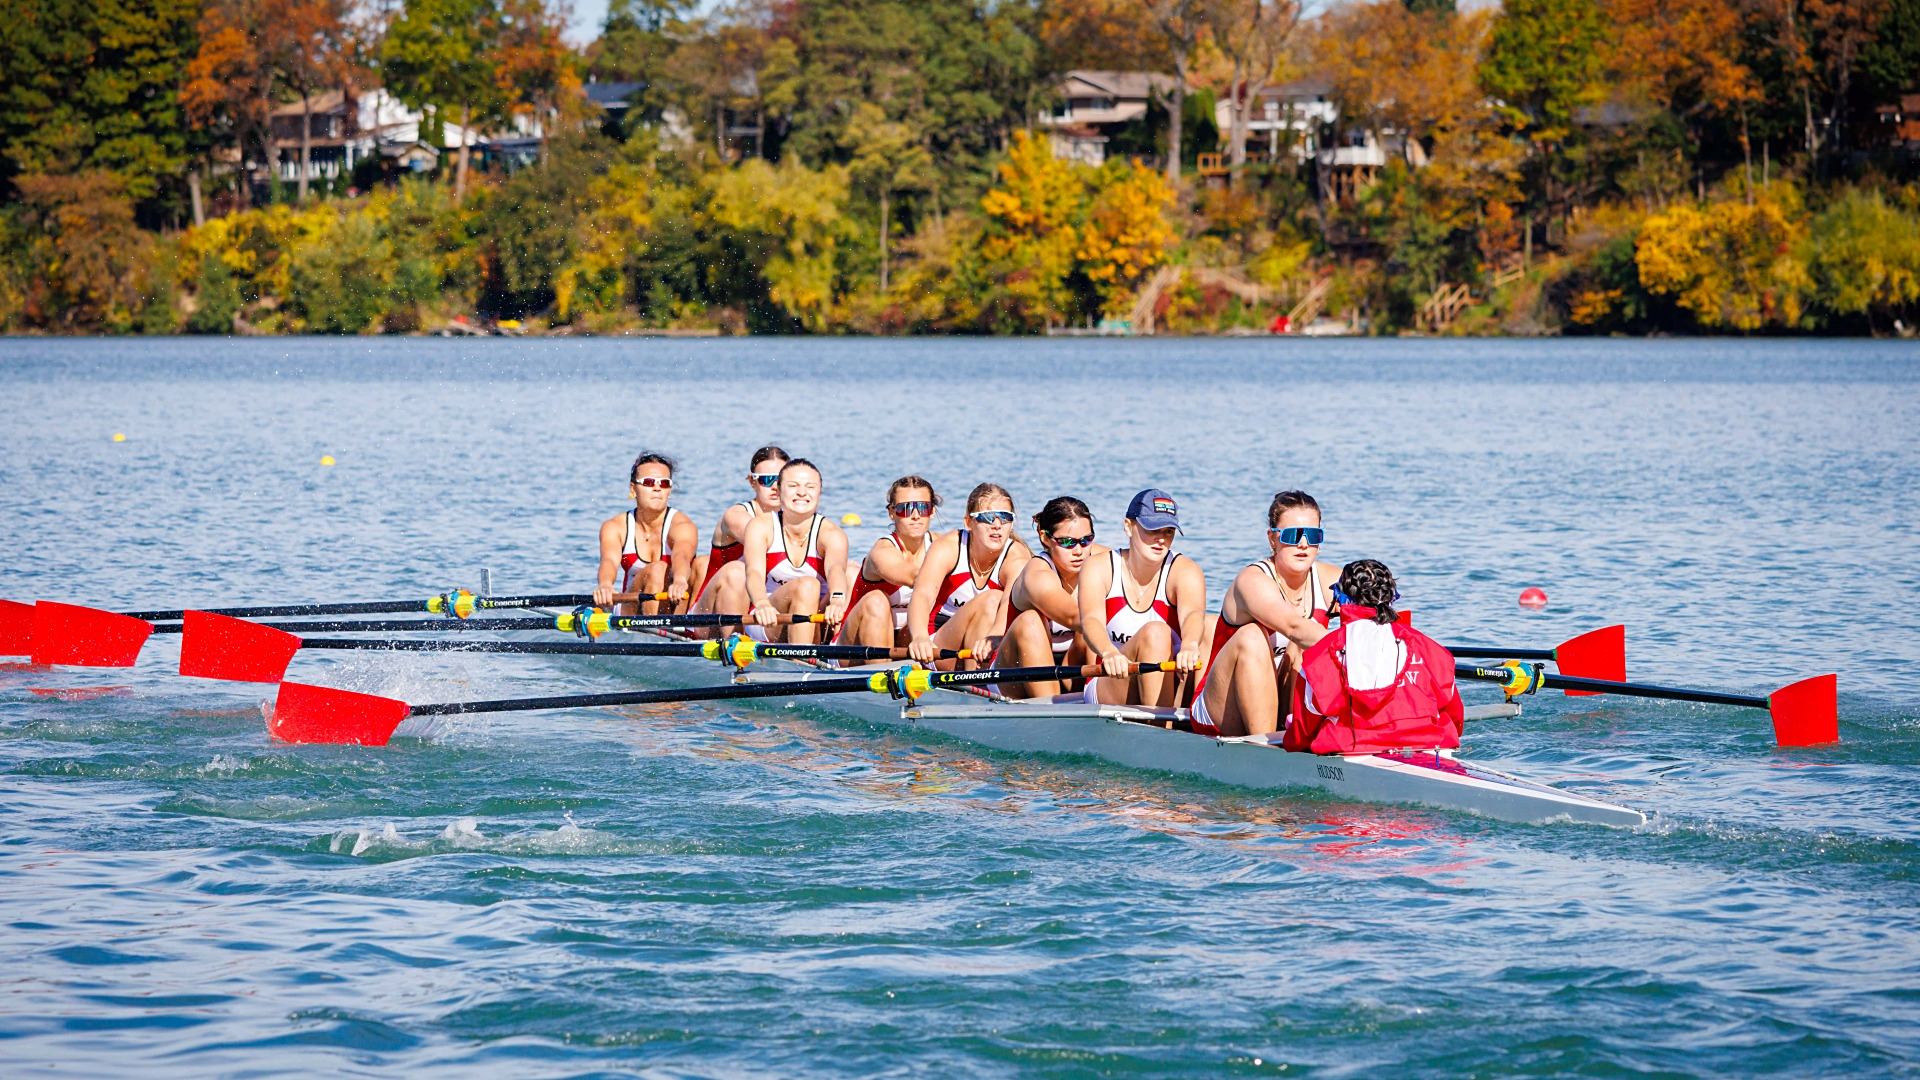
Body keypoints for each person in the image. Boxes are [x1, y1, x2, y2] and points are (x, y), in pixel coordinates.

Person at [1190, 490, 1338, 737]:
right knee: (1255, 636)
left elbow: (1379, 620)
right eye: (1292, 535)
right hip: (1220, 707)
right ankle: (1264, 750)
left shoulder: (1332, 579)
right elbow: (1293, 627)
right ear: (1273, 538)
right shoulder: (1252, 580)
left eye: (1312, 535)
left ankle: (1300, 736)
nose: (1303, 544)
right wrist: (1353, 649)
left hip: (1281, 701)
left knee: (1303, 646)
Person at [1284, 559, 1464, 755]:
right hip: (1433, 746)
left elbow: (1303, 732)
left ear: (1341, 598)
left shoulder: (1320, 655)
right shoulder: (1432, 649)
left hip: (1353, 748)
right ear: (1390, 597)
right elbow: (1456, 717)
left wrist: (1291, 742)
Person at [1076, 489, 1206, 707]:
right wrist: (1109, 653)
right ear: (1128, 526)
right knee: (1156, 633)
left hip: (1171, 682)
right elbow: (1090, 621)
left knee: (1210, 626)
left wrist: (1191, 645)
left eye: (1168, 531)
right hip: (1111, 682)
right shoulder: (1099, 567)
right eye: (1151, 529)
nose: (1161, 540)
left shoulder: (1186, 571)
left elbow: (1193, 614)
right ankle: (1162, 733)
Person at [706, 458, 850, 645]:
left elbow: (836, 569)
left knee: (851, 573)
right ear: (779, 490)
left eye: (810, 486)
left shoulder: (833, 534)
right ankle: (801, 663)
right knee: (808, 585)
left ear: (820, 492)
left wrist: (838, 599)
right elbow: (754, 572)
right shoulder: (761, 526)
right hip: (769, 620)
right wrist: (761, 603)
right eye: (793, 485)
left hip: (816, 622)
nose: (802, 492)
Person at [906, 483, 1032, 669]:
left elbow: (1008, 603)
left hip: (989, 644)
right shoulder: (948, 547)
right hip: (939, 646)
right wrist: (919, 637)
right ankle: (977, 686)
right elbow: (922, 595)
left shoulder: (1017, 556)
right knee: (991, 599)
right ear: (968, 522)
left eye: (1005, 518)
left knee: (997, 602)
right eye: (988, 518)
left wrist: (996, 636)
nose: (997, 525)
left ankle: (980, 683)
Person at [996, 497, 1103, 699]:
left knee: (1093, 616)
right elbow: (1074, 618)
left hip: (1070, 667)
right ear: (1045, 538)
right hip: (1015, 673)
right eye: (1067, 542)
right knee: (1033, 621)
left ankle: (1097, 696)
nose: (1079, 551)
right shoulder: (1037, 576)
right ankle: (1051, 712)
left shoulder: (1103, 560)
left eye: (1086, 540)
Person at [835, 476, 942, 656]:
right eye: (905, 509)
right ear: (892, 513)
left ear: (931, 511)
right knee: (877, 600)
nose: (915, 516)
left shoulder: (941, 545)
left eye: (923, 508)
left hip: (907, 639)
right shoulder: (882, 551)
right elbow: (916, 578)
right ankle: (880, 675)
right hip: (856, 646)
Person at [593, 452, 701, 615]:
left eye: (664, 483)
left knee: (703, 564)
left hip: (673, 604)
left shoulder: (683, 525)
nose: (657, 488)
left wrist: (679, 580)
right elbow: (609, 561)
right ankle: (655, 633)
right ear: (633, 488)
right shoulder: (615, 526)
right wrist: (605, 585)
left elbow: (682, 556)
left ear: (669, 490)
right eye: (649, 482)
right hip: (630, 608)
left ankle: (688, 630)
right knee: (657, 569)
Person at [692, 445, 788, 609]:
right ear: (752, 481)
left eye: (781, 480)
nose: (774, 486)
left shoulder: (796, 520)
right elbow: (765, 542)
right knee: (738, 571)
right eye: (766, 479)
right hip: (710, 614)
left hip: (759, 610)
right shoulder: (735, 515)